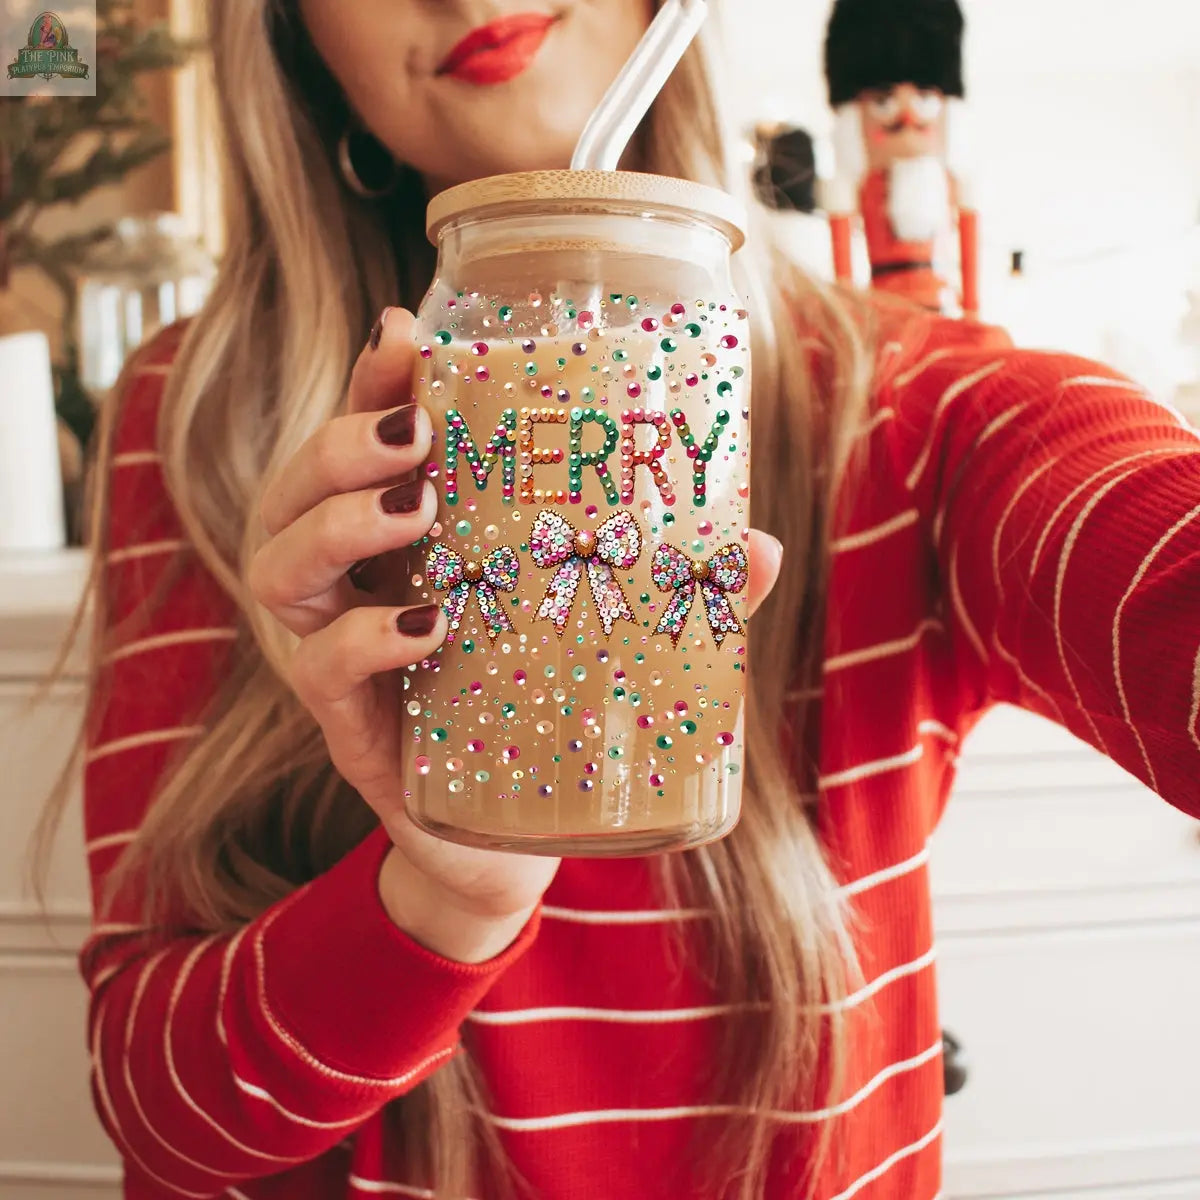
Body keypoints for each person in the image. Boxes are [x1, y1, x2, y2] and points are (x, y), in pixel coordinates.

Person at [60, 1, 1200, 1198]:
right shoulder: (205, 418)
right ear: (292, 35)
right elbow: (157, 1115)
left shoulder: (913, 409)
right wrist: (443, 893)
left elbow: (1144, 544)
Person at [823, 0, 980, 317]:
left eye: (924, 97)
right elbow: (844, 277)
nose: (907, 116)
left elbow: (969, 255)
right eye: (883, 101)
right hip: (882, 311)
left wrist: (972, 311)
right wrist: (847, 314)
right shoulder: (859, 187)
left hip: (943, 307)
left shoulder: (952, 184)